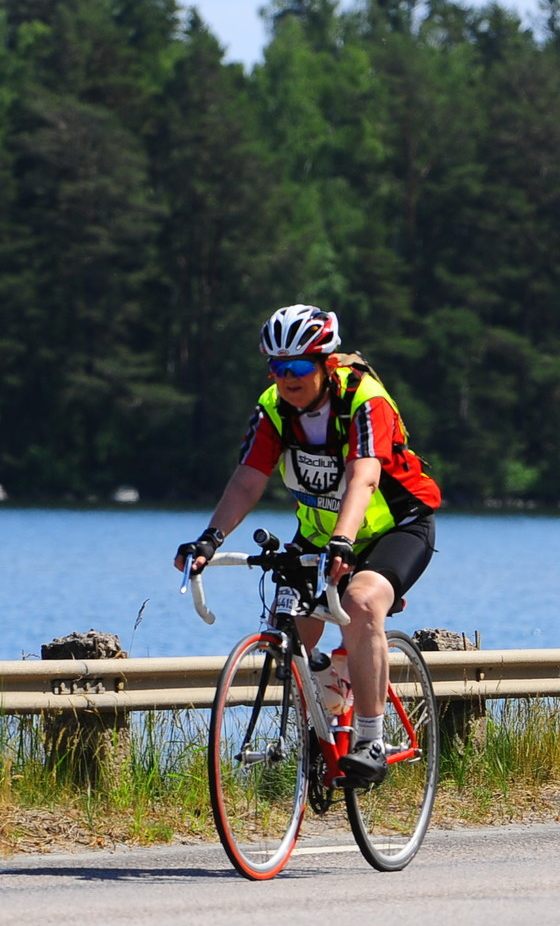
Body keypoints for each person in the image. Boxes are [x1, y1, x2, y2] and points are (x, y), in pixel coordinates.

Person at [175, 305, 441, 782]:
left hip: (396, 527)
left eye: (297, 367)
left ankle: (370, 738)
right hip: (320, 534)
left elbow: (363, 478)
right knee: (291, 624)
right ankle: (321, 716)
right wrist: (209, 540)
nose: (287, 378)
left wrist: (343, 540)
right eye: (277, 368)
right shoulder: (274, 408)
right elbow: (248, 479)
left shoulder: (365, 400)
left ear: (326, 363)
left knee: (361, 602)